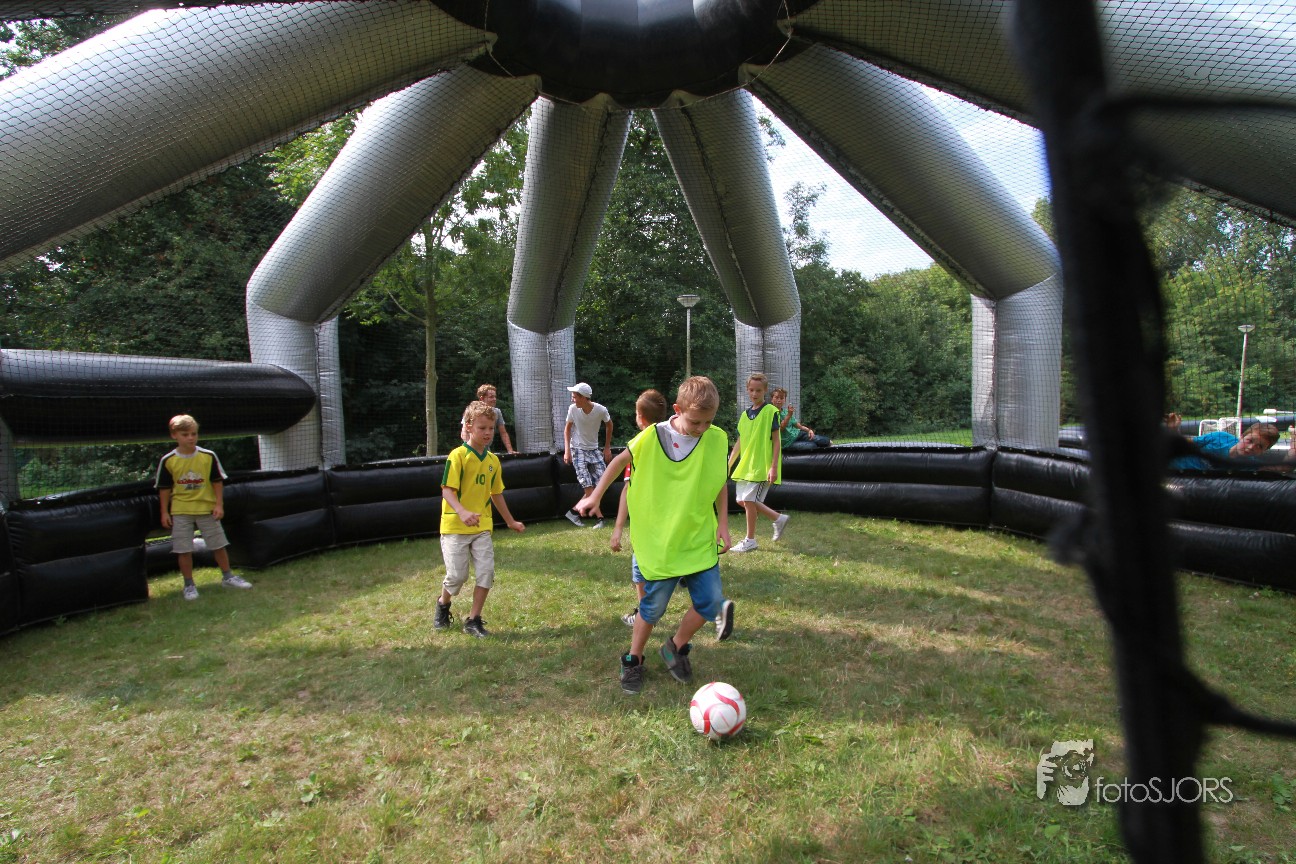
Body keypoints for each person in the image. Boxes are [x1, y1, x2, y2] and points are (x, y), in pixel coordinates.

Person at [574, 376, 734, 695]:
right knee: (652, 609)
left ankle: (675, 646)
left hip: (697, 538)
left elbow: (718, 482)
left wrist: (723, 524)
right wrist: (595, 496)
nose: (702, 428)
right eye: (695, 422)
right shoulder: (652, 437)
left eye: (708, 422)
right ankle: (633, 659)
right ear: (677, 410)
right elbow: (619, 462)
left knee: (711, 602)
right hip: (661, 543)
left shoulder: (716, 439)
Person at [434, 400, 526, 638]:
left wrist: (510, 521)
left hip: (482, 527)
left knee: (486, 573)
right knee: (457, 576)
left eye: (491, 428)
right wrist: (462, 512)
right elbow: (447, 491)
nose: (487, 433)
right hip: (455, 527)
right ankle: (443, 603)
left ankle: (473, 620)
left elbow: (496, 494)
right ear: (468, 426)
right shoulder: (458, 456)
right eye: (482, 428)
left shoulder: (493, 461)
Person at [155, 414, 252, 600]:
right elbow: (164, 489)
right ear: (174, 435)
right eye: (185, 435)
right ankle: (189, 585)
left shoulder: (208, 456)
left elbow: (217, 481)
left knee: (219, 544)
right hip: (181, 510)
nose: (190, 438)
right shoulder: (168, 460)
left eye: (194, 434)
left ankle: (228, 577)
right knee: (183, 549)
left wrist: (219, 505)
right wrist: (164, 512)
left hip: (206, 509)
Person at [728, 372, 789, 552]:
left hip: (761, 466)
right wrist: (729, 464)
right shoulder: (744, 415)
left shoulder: (770, 411)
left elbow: (776, 441)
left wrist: (773, 467)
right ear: (747, 390)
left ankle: (750, 540)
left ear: (765, 391)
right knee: (742, 500)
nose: (754, 393)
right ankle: (778, 518)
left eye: (758, 390)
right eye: (751, 390)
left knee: (748, 500)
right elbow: (740, 442)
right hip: (746, 466)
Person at [562, 381, 613, 529]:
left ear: (584, 397)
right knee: (588, 485)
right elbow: (567, 429)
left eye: (575, 397)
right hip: (577, 449)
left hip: (594, 449)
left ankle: (573, 512)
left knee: (603, 482)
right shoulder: (572, 409)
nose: (572, 399)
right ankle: (600, 518)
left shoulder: (601, 410)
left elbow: (609, 425)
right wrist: (567, 450)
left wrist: (607, 448)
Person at [1170, 421, 1280, 471]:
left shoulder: (1251, 465)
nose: (1251, 447)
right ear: (1241, 436)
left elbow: (1284, 468)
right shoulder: (1220, 437)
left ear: (1264, 451)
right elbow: (1184, 444)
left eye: (1260, 446)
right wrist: (1173, 430)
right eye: (1249, 440)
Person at [476, 383, 516, 454]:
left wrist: (510, 451)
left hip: (486, 450)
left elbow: (503, 433)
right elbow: (464, 432)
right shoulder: (473, 411)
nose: (494, 399)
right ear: (482, 398)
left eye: (495, 397)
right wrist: (471, 449)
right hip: (473, 449)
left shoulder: (497, 412)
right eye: (491, 397)